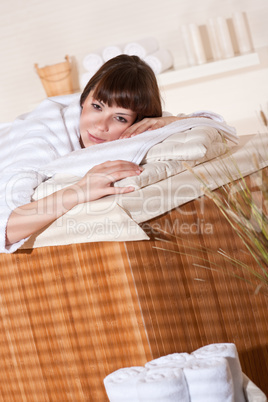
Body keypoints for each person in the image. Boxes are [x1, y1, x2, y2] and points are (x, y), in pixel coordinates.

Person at [2, 55, 180, 253]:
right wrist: (78, 191)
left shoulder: (138, 122)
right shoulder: (40, 141)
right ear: (84, 99)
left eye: (120, 118)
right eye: (97, 107)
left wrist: (171, 121)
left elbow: (210, 121)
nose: (100, 126)